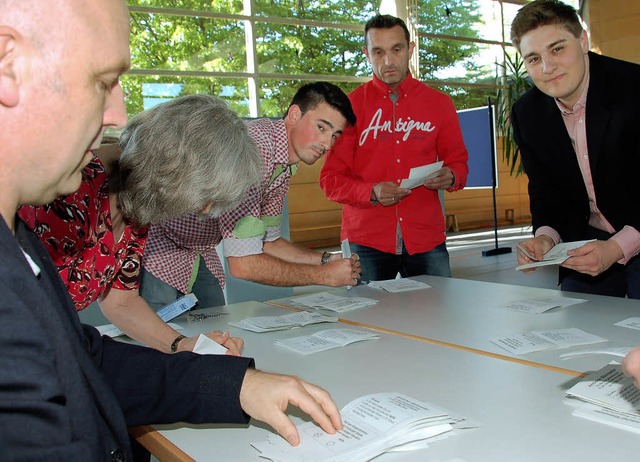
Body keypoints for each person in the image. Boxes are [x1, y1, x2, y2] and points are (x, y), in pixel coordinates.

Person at [0, 1, 343, 458]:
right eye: (104, 83)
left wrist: (186, 347)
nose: (204, 212)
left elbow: (110, 313)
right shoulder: (56, 198)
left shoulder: (137, 215)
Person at [18, 94, 257, 354]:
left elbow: (122, 302)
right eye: (205, 196)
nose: (205, 209)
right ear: (176, 169)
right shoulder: (71, 188)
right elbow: (28, 306)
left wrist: (182, 345)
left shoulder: (137, 204)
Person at [140, 82, 362, 310]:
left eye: (335, 135)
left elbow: (269, 241)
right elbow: (243, 264)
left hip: (200, 252)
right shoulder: (257, 151)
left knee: (212, 333)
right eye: (321, 128)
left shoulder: (283, 165)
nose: (327, 144)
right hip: (161, 249)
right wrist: (323, 276)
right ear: (295, 114)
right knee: (162, 339)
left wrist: (326, 259)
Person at [319, 14, 469, 283]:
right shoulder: (348, 108)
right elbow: (330, 181)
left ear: (411, 50)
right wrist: (372, 192)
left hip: (426, 236)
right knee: (367, 322)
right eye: (378, 52)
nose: (388, 61)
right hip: (366, 241)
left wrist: (452, 176)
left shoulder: (440, 104)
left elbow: (458, 164)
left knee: (438, 319)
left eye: (396, 50)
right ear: (366, 53)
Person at [511, 0, 640, 298]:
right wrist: (545, 238)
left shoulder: (633, 90)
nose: (547, 67)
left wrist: (618, 247)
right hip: (586, 240)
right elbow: (545, 191)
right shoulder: (528, 113)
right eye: (533, 58)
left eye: (557, 49)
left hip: (636, 228)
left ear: (582, 41)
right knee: (575, 324)